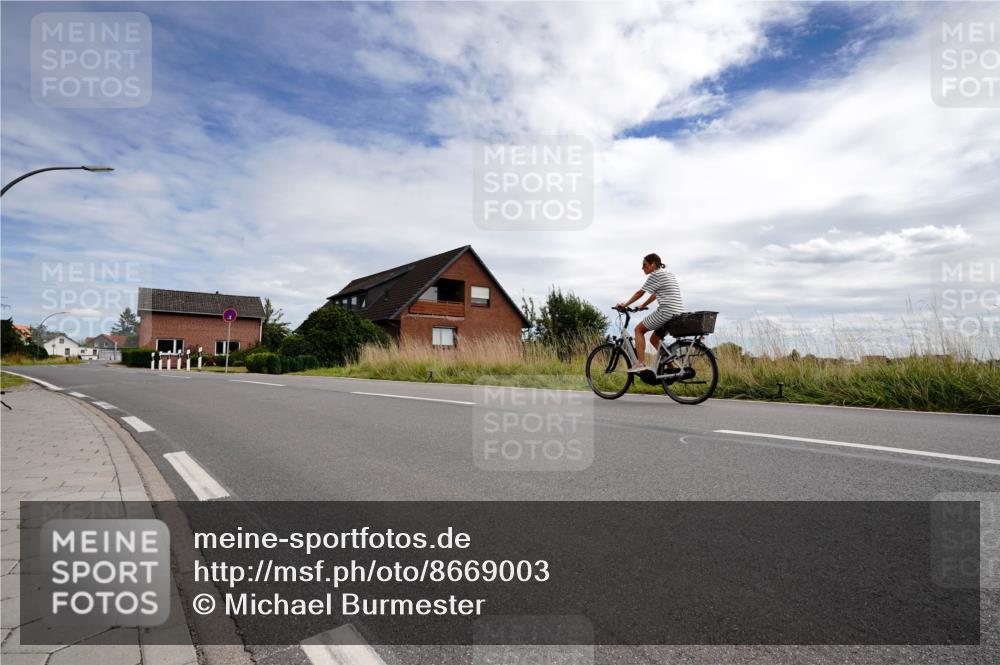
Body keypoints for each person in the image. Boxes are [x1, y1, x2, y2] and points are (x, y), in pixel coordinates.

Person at [615, 253, 683, 373]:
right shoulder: (667, 274)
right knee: (655, 340)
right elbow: (655, 294)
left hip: (666, 311)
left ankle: (640, 364)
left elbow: (640, 293)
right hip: (676, 312)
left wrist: (624, 305)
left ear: (653, 264)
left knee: (638, 330)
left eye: (644, 265)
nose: (642, 268)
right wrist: (643, 305)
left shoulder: (655, 275)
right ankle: (672, 368)